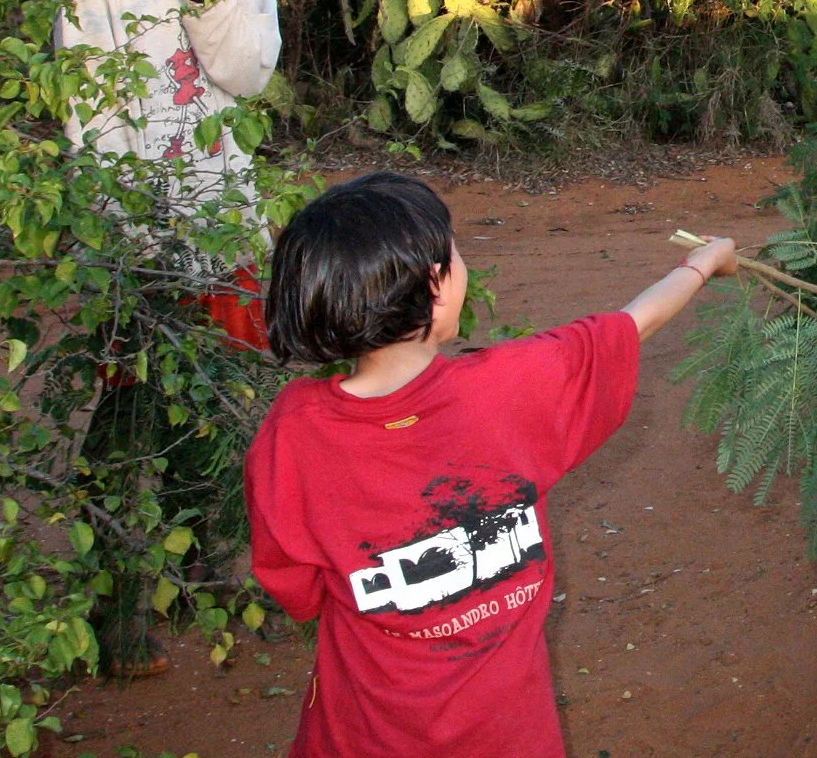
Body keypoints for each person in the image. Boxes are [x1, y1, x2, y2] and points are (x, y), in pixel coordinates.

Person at [245, 172, 737, 757]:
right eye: (454, 252)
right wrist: (702, 265)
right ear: (436, 284)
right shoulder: (510, 387)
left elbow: (296, 588)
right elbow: (633, 324)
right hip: (506, 736)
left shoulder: (293, 434)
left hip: (361, 737)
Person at [55, 0, 283, 676]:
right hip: (136, 241)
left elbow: (247, 75)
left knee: (220, 407)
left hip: (222, 221)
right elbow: (90, 121)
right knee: (130, 415)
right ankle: (118, 619)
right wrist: (133, 246)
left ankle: (205, 583)